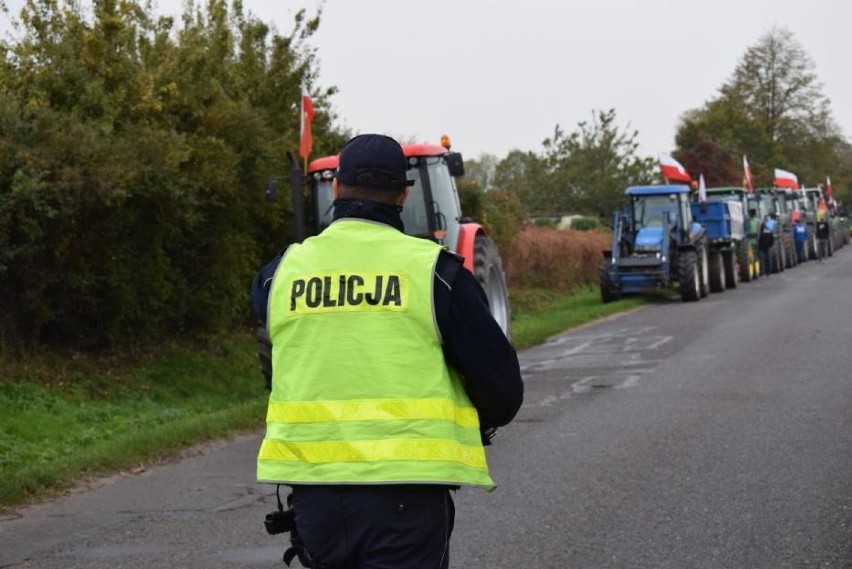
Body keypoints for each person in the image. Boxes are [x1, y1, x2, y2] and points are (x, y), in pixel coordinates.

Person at [251, 134, 524, 569]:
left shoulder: (278, 274)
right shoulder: (437, 273)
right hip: (405, 499)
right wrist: (477, 420)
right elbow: (502, 388)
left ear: (336, 189)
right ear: (403, 194)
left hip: (314, 500)